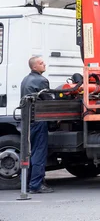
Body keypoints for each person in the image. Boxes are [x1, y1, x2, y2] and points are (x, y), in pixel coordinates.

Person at [20, 56, 54, 194]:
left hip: (28, 121)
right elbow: (48, 100)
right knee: (39, 153)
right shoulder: (41, 80)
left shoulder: (25, 80)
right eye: (41, 63)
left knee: (29, 152)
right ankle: (36, 185)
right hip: (39, 120)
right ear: (34, 67)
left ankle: (28, 183)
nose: (44, 64)